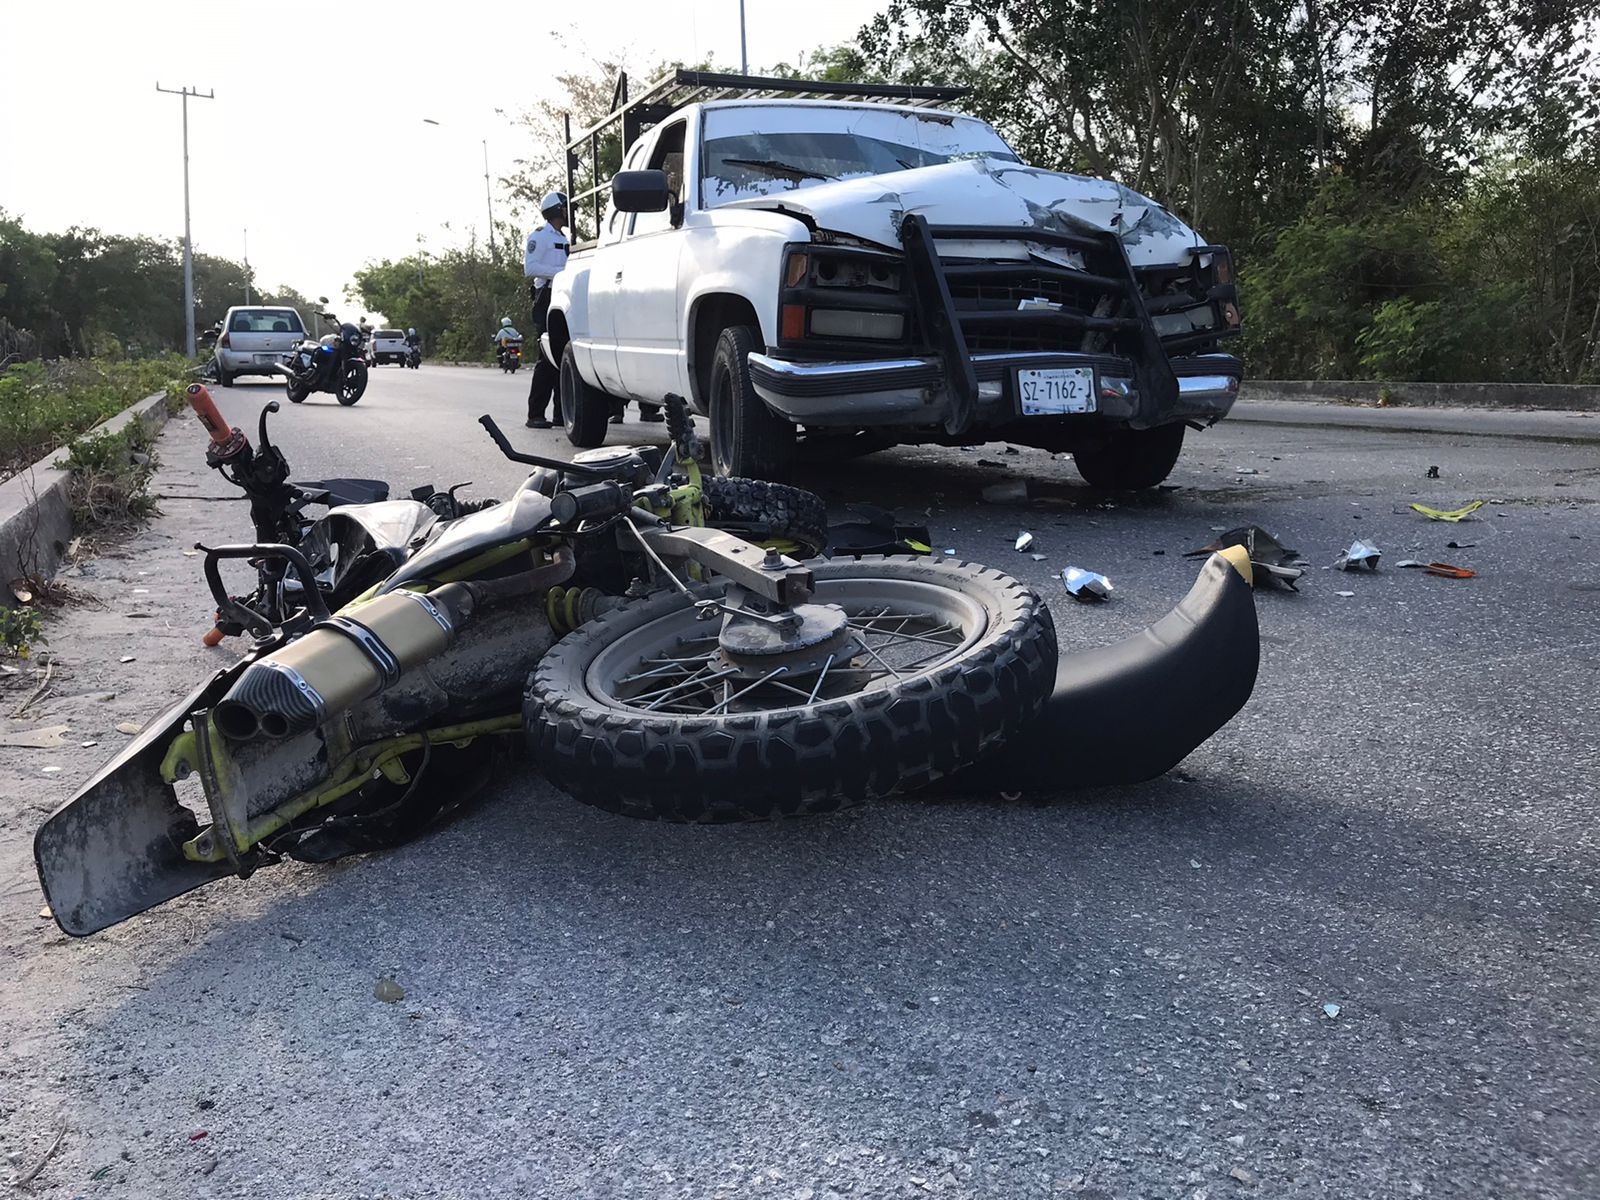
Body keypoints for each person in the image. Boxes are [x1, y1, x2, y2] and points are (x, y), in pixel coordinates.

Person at [523, 192, 570, 429]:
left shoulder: (564, 237)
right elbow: (530, 268)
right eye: (565, 207)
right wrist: (561, 273)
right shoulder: (540, 237)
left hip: (565, 296)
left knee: (565, 356)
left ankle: (562, 414)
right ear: (556, 210)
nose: (568, 211)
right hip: (547, 296)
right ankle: (536, 413)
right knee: (547, 356)